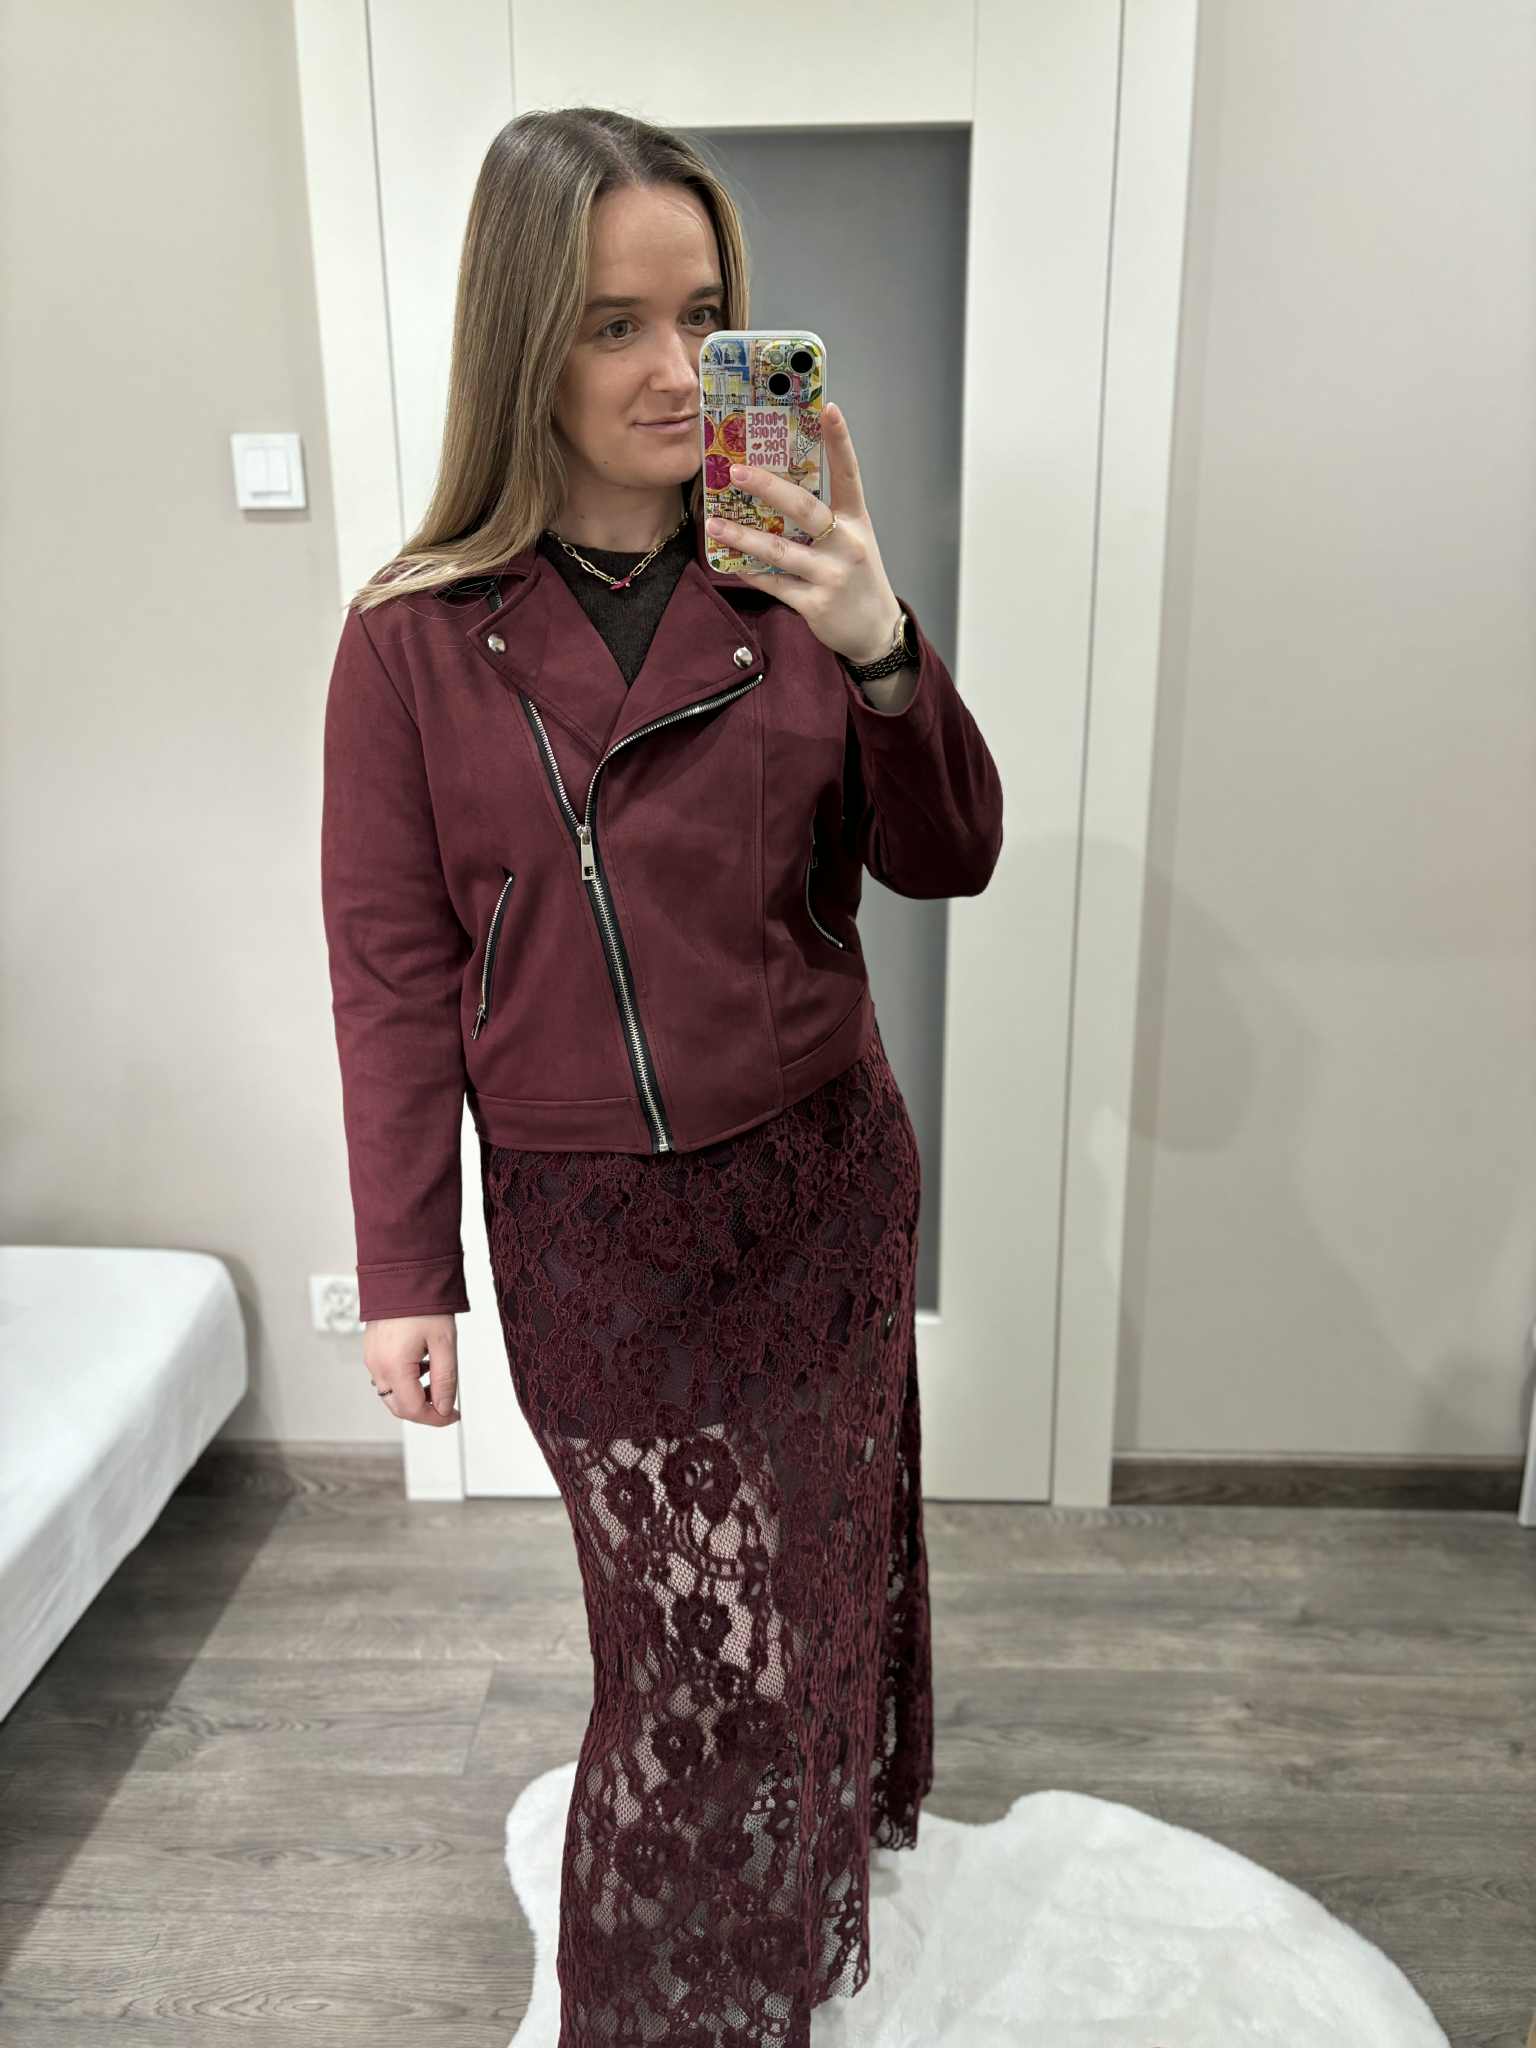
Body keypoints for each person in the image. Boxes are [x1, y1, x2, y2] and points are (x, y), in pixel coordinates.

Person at [320, 104, 1004, 2048]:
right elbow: (392, 975)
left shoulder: (789, 580)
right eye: (611, 323)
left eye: (702, 318)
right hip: (591, 1228)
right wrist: (406, 1269)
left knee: (815, 1579)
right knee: (682, 1653)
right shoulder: (411, 642)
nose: (670, 369)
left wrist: (881, 638)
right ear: (520, 342)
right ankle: (663, 2003)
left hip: (819, 1182)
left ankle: (792, 1921)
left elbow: (949, 853)